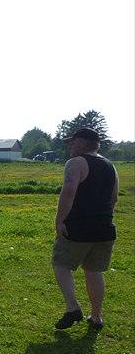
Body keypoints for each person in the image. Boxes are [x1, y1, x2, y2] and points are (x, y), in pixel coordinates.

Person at [51, 127, 119, 329]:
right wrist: (103, 217)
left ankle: (73, 307)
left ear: (82, 142)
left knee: (60, 263)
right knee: (94, 271)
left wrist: (60, 220)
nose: (70, 145)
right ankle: (96, 317)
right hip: (104, 228)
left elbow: (68, 192)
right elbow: (113, 198)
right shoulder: (110, 166)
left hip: (78, 228)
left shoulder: (76, 163)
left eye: (73, 141)